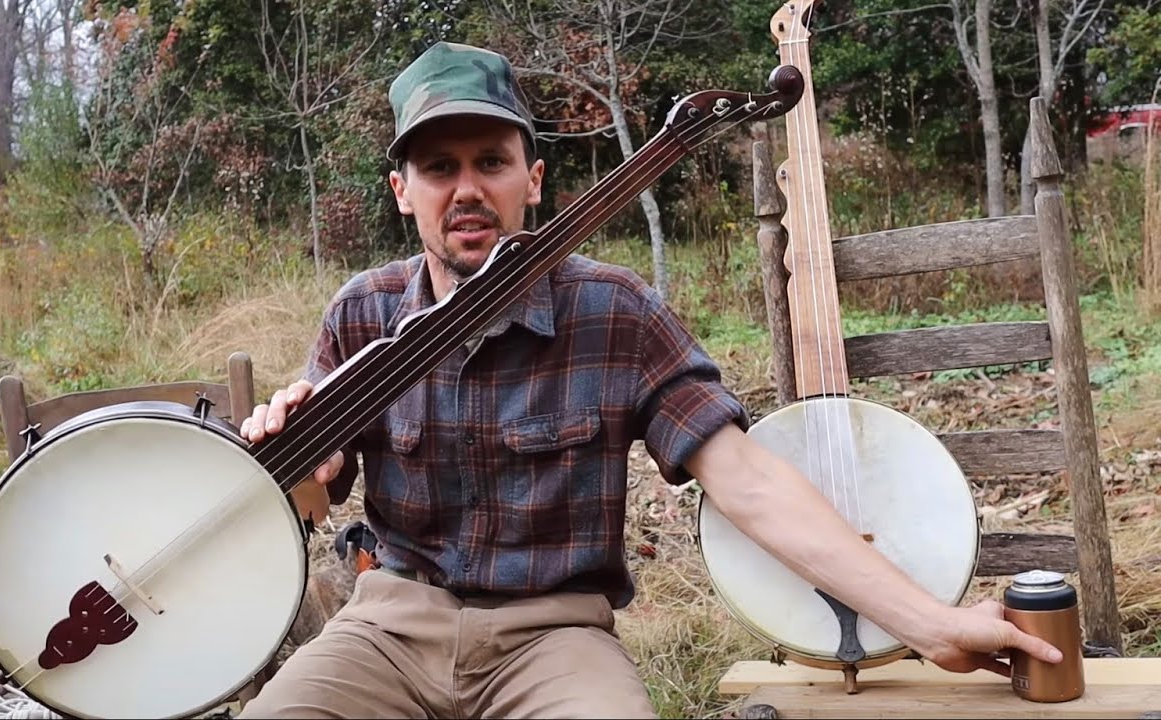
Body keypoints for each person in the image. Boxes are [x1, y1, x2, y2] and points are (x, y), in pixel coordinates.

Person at [237, 41, 1063, 719]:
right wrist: (290, 462)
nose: (466, 189)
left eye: (490, 161)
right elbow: (316, 499)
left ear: (534, 180)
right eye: (437, 167)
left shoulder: (616, 310)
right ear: (401, 191)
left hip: (552, 638)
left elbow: (750, 482)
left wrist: (930, 624)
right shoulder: (364, 310)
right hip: (388, 627)